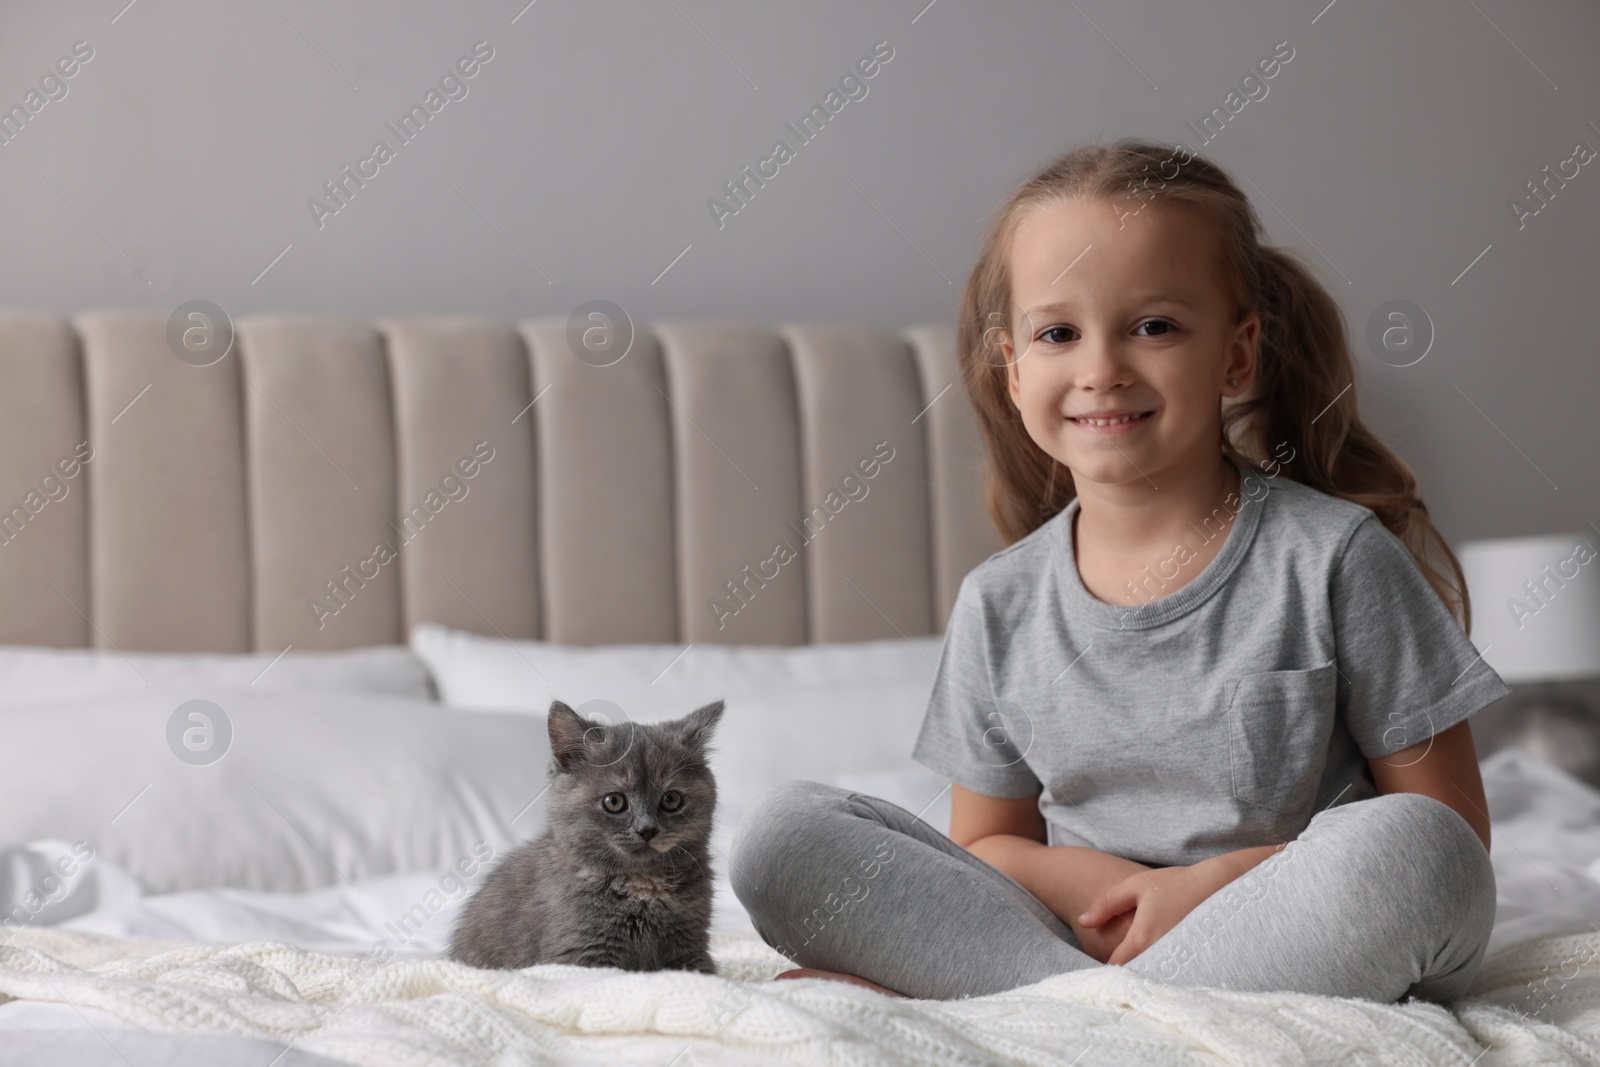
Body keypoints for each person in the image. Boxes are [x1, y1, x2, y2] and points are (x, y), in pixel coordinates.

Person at [729, 139, 1510, 1003]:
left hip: (1286, 932)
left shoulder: (1336, 557)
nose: (1101, 369)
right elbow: (986, 849)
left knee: (1419, 852)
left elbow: (1454, 833)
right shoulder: (1001, 603)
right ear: (1014, 369)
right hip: (1074, 937)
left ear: (1237, 354)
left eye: (1155, 326)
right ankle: (1099, 1014)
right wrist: (1101, 889)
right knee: (781, 836)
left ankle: (1055, 1021)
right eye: (1058, 332)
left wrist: (1201, 890)